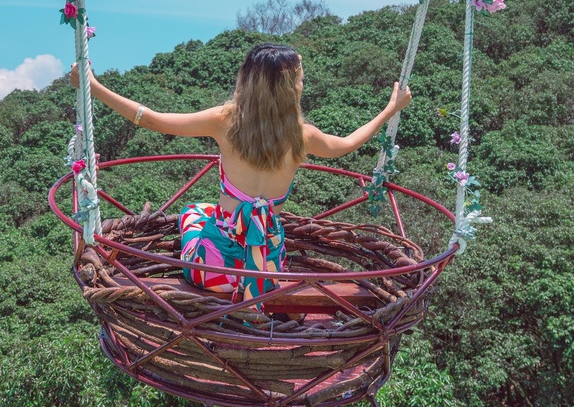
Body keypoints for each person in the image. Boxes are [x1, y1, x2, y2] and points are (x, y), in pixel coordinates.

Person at [71, 44, 411, 302]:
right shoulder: (303, 136)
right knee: (223, 219)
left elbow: (151, 118)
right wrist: (389, 109)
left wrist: (93, 86)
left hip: (211, 270)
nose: (304, 82)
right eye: (301, 77)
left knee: (194, 211)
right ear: (289, 87)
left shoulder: (227, 121)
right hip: (265, 273)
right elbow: (350, 142)